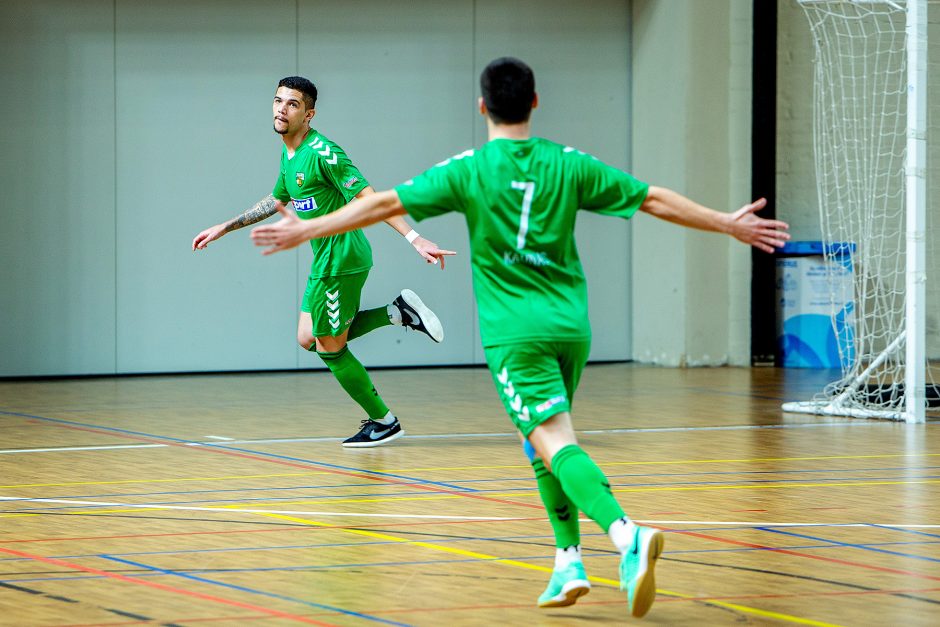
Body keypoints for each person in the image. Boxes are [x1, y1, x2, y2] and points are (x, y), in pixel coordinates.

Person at [249, 58, 790, 618]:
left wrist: (306, 229)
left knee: (553, 441)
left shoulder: (470, 169)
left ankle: (626, 535)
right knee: (543, 438)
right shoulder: (569, 163)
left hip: (516, 333)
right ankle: (567, 562)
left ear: (482, 107)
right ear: (534, 103)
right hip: (572, 328)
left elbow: (385, 201)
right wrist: (727, 222)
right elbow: (652, 198)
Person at [193, 76, 455, 448]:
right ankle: (396, 313)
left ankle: (385, 421)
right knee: (307, 338)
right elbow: (276, 199)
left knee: (330, 347)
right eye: (278, 100)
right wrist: (225, 226)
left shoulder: (323, 153)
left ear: (309, 114)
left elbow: (370, 197)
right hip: (325, 260)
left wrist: (414, 238)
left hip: (342, 259)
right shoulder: (290, 154)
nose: (282, 108)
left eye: (293, 104)